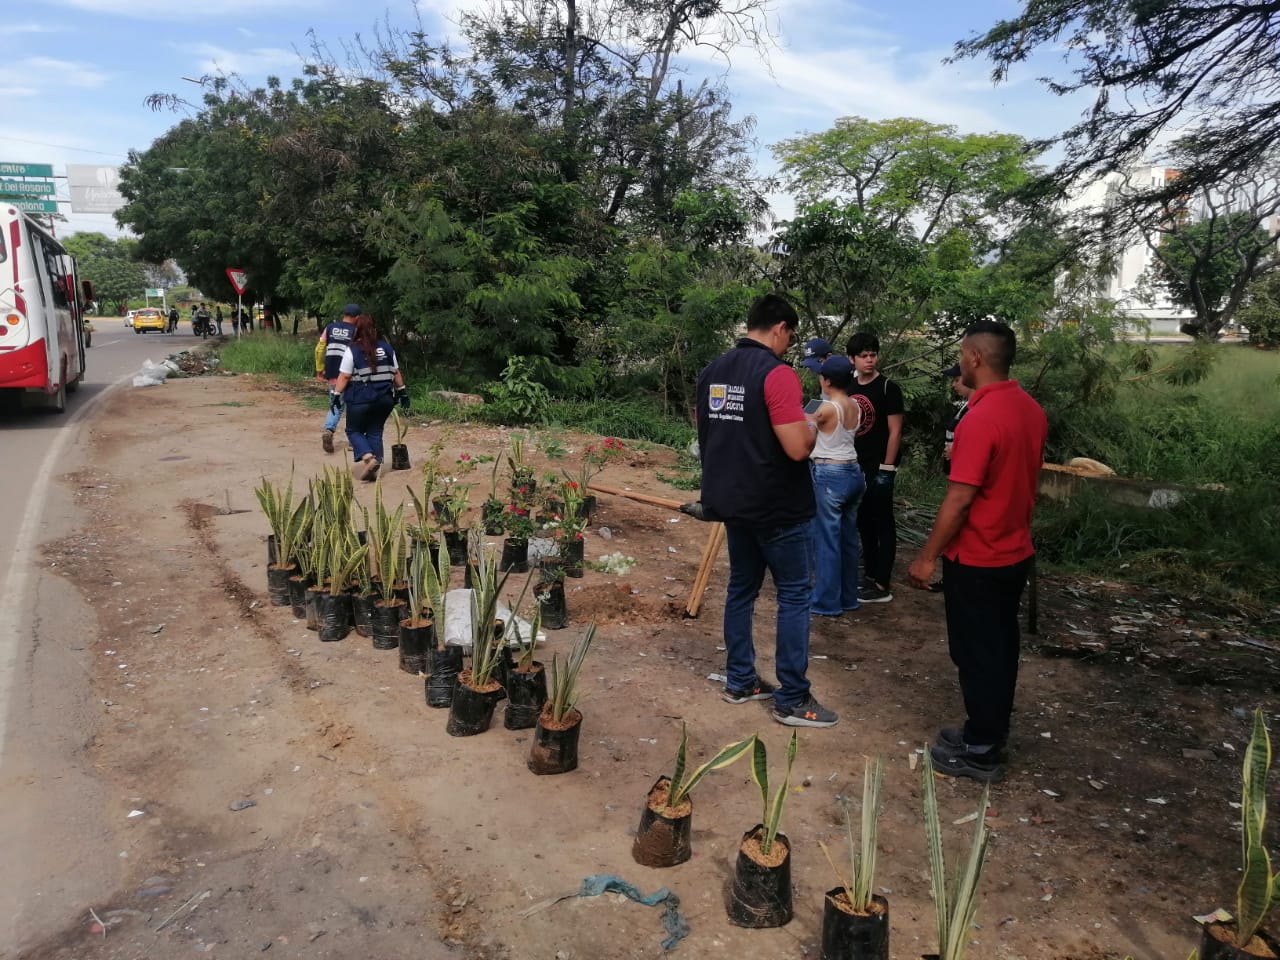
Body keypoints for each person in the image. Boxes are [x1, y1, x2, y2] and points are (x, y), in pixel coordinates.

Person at [906, 319, 1047, 782]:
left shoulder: (980, 418)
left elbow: (960, 499)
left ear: (975, 357)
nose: (961, 362)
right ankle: (983, 731)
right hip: (1014, 552)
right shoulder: (1029, 409)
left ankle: (982, 749)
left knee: (977, 653)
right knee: (999, 648)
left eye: (962, 353)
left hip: (979, 557)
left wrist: (927, 556)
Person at [696, 293, 837, 728]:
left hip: (733, 504)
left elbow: (714, 436)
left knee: (742, 589)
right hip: (778, 507)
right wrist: (812, 425)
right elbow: (796, 448)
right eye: (789, 336)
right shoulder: (776, 374)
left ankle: (741, 680)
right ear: (780, 328)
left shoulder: (713, 372)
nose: (787, 344)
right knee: (794, 594)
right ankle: (792, 698)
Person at [846, 332, 904, 604]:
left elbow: (895, 431)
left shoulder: (888, 388)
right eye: (864, 356)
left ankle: (882, 582)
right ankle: (870, 575)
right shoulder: (849, 386)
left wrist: (887, 468)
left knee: (883, 523)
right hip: (854, 465)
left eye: (873, 355)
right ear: (852, 359)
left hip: (878, 465)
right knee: (863, 521)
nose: (869, 360)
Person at [806, 355, 864, 616]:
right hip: (853, 472)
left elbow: (804, 424)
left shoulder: (827, 408)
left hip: (830, 474)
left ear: (826, 381)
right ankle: (848, 597)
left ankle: (826, 602)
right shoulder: (855, 405)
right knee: (848, 539)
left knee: (827, 540)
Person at [329, 314, 409, 482]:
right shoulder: (387, 348)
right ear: (374, 329)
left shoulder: (353, 350)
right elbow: (396, 372)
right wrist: (402, 392)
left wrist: (336, 395)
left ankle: (368, 457)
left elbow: (344, 376)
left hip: (361, 398)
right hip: (385, 399)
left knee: (353, 430)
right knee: (375, 430)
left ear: (356, 330)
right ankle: (374, 467)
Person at [317, 304, 361, 454]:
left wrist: (319, 369)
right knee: (353, 406)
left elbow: (319, 349)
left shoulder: (330, 328)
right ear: (357, 317)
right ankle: (353, 442)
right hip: (351, 375)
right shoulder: (355, 331)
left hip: (332, 373)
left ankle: (328, 429)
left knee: (335, 404)